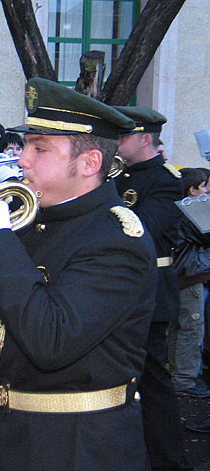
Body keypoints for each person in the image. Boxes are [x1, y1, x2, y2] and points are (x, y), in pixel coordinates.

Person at [0, 78, 157, 470]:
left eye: (39, 148)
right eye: (26, 145)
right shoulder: (37, 219)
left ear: (89, 162)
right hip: (17, 430)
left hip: (80, 444)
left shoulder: (116, 238)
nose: (22, 159)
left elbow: (51, 340)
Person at [114, 106, 191, 471]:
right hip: (122, 290)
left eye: (124, 136)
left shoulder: (163, 179)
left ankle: (168, 460)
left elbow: (142, 229)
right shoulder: (120, 175)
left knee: (154, 381)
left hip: (150, 291)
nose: (117, 142)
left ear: (146, 138)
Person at [168, 167, 210, 398]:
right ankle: (185, 379)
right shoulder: (189, 213)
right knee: (192, 326)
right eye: (203, 186)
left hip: (182, 276)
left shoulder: (178, 210)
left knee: (180, 326)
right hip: (189, 277)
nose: (206, 191)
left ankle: (178, 373)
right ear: (192, 190)